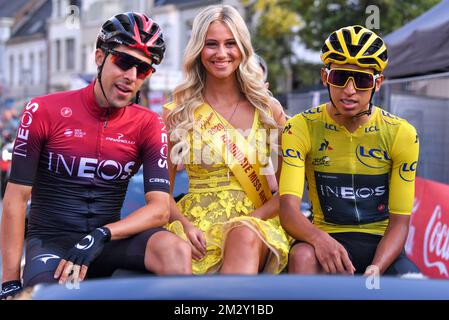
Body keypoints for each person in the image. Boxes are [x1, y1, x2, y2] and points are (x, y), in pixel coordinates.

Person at [1, 12, 191, 300]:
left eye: (142, 70)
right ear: (100, 57)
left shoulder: (149, 124)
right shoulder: (42, 110)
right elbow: (15, 199)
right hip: (53, 244)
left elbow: (160, 209)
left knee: (175, 249)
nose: (130, 77)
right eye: (124, 62)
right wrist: (9, 281)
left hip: (107, 241)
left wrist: (101, 235)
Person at [279, 25, 420, 276]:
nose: (350, 90)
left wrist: (376, 267)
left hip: (381, 244)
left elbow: (400, 224)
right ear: (325, 78)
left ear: (378, 83)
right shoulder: (300, 127)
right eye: (340, 78)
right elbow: (289, 211)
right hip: (326, 235)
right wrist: (319, 239)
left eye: (363, 80)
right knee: (302, 256)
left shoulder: (402, 133)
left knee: (413, 282)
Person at [163, 5, 290, 274]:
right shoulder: (178, 114)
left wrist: (250, 220)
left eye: (230, 43)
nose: (221, 53)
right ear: (198, 49)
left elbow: (289, 191)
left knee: (242, 237)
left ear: (242, 48)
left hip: (255, 226)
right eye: (211, 44)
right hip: (195, 231)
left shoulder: (269, 111)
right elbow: (162, 192)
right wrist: (185, 226)